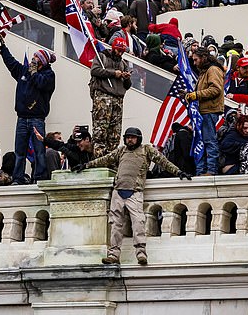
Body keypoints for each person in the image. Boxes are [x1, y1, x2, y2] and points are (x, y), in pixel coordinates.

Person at [72, 127, 192, 265]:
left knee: (138, 223)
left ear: (138, 138)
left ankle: (141, 254)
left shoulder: (146, 150)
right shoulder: (121, 150)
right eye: (128, 137)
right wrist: (86, 165)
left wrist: (178, 172)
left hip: (135, 192)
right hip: (118, 191)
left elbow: (163, 162)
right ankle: (113, 255)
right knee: (115, 225)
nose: (130, 139)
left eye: (133, 137)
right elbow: (104, 160)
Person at [0, 40, 56, 184]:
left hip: (37, 118)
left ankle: (39, 178)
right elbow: (11, 63)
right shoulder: (24, 70)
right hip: (22, 118)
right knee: (19, 152)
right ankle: (17, 178)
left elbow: (41, 83)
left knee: (39, 151)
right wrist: (2, 46)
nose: (32, 61)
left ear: (42, 62)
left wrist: (34, 72)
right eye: (32, 58)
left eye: (35, 59)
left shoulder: (49, 75)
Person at [89, 37, 132, 157]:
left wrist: (126, 78)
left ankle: (111, 159)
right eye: (118, 51)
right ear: (113, 48)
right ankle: (99, 157)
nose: (120, 54)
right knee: (100, 130)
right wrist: (113, 73)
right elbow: (94, 71)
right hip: (103, 97)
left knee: (115, 133)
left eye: (122, 52)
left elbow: (127, 86)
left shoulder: (123, 64)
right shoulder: (102, 57)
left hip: (118, 99)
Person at [185, 47, 225, 176]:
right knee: (200, 142)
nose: (194, 63)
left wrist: (196, 95)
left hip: (209, 111)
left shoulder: (213, 70)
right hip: (202, 112)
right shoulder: (204, 71)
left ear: (203, 57)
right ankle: (201, 171)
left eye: (196, 59)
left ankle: (211, 170)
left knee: (209, 141)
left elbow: (216, 89)